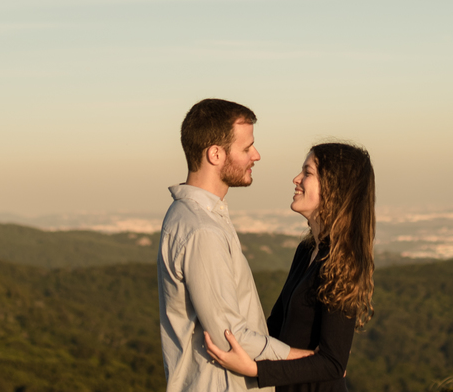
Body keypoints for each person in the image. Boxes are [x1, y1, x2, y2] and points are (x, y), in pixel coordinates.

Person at [158, 99, 314, 392]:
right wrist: (307, 362)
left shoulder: (189, 216)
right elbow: (230, 335)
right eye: (246, 148)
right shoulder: (202, 229)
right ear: (215, 154)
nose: (256, 155)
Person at [204, 141, 376, 392]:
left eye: (307, 173)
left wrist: (254, 370)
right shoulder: (306, 251)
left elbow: (334, 363)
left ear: (333, 187)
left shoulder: (342, 261)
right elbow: (276, 327)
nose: (296, 179)